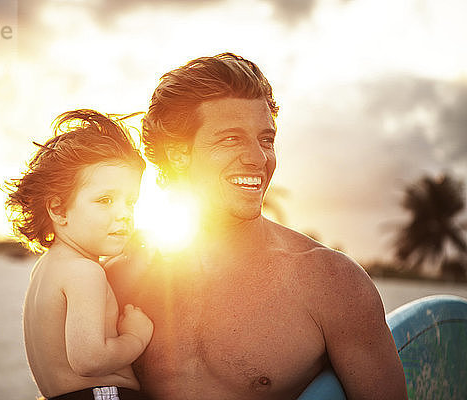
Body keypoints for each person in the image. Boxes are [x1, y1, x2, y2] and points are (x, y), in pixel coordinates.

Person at [106, 53, 408, 399]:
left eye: (266, 139)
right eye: (231, 139)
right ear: (178, 153)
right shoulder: (120, 281)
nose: (258, 157)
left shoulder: (331, 284)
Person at [6, 110, 154, 400]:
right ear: (59, 209)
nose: (124, 214)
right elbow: (89, 360)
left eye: (131, 202)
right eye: (105, 200)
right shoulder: (86, 273)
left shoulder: (48, 268)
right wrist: (135, 337)